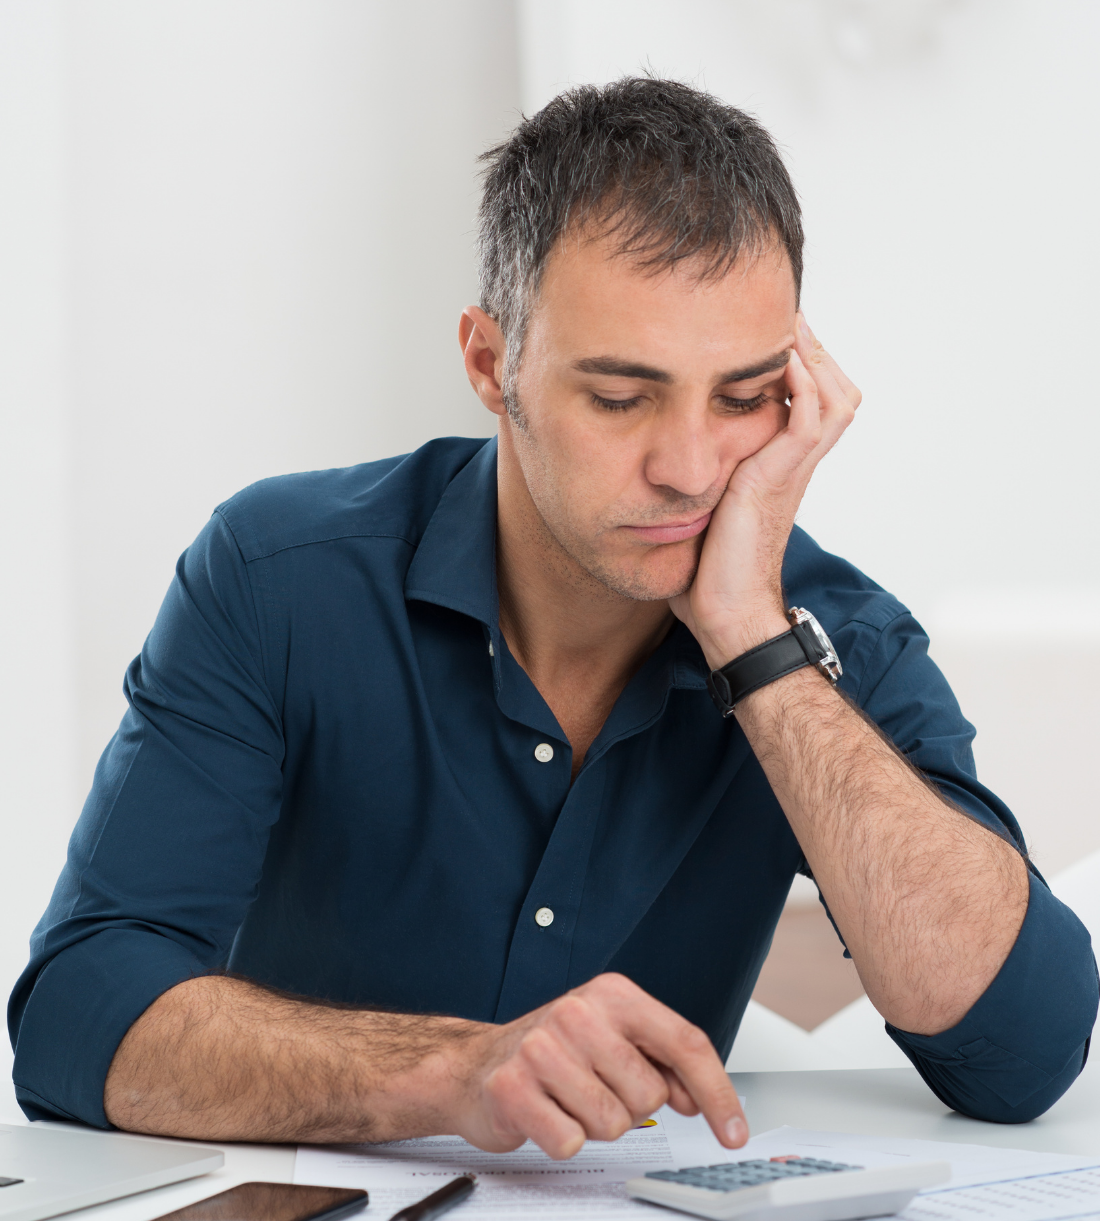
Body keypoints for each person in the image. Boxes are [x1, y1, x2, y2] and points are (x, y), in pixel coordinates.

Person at [8, 78, 1096, 1154]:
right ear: (491, 364)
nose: (689, 469)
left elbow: (1022, 1052)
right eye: (619, 398)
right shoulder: (278, 578)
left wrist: (754, 645)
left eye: (740, 397)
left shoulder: (827, 640)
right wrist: (452, 1073)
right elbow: (74, 1011)